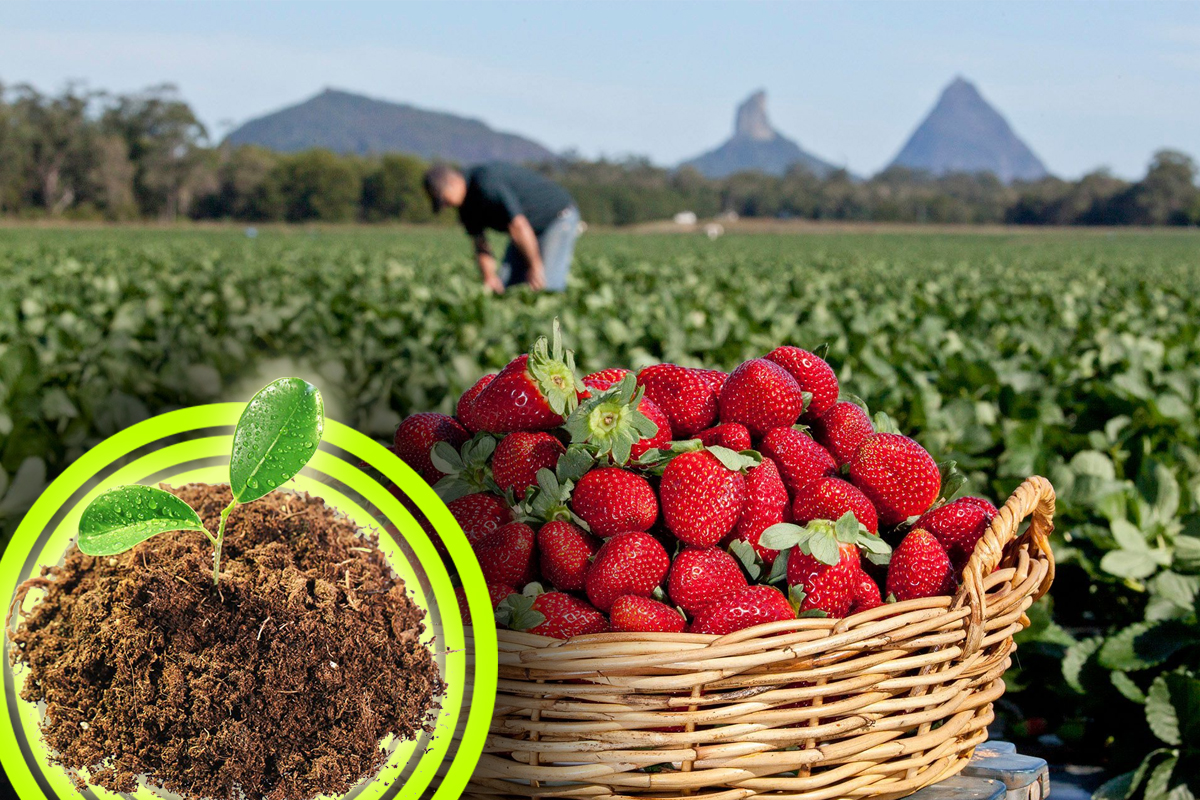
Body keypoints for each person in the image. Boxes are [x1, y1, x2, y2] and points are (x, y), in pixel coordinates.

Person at [423, 162, 580, 293]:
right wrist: (489, 277)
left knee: (544, 285)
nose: (445, 206)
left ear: (453, 183)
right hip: (527, 229)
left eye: (443, 199)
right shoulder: (465, 207)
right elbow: (480, 244)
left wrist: (535, 267)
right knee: (508, 286)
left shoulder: (486, 183)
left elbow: (518, 225)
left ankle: (553, 327)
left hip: (556, 218)